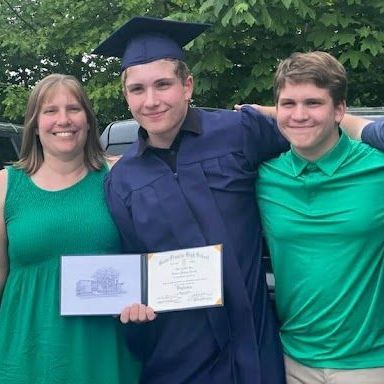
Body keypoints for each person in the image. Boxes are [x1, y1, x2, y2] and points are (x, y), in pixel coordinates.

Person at [94, 16, 289, 384]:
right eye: (137, 89)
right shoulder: (121, 181)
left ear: (187, 85)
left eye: (163, 85)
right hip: (179, 358)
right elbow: (134, 271)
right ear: (126, 96)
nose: (150, 101)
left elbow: (312, 130)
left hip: (254, 349)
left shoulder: (239, 132)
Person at [0, 74, 140, 383]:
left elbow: (150, 255)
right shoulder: (5, 186)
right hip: (26, 355)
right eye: (50, 111)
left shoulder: (120, 176)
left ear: (89, 121)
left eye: (74, 109)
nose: (63, 120)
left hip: (105, 353)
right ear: (35, 124)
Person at [255, 51, 384, 384]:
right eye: (288, 104)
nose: (299, 115)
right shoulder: (263, 176)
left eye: (313, 103)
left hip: (369, 363)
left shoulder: (377, 167)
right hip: (290, 359)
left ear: (339, 109)